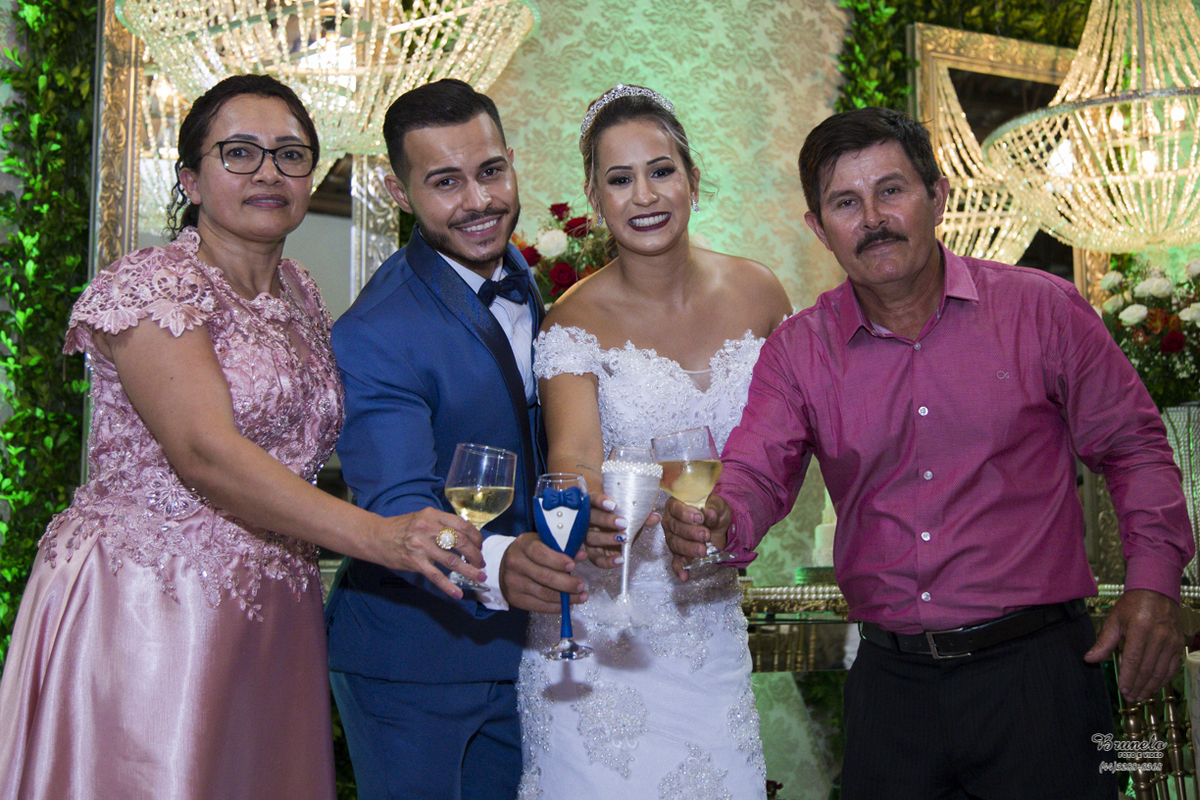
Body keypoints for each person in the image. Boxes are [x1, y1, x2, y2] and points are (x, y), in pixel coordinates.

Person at [663, 106, 1195, 800]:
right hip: (892, 692)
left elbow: (1134, 447)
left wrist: (1154, 581)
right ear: (818, 228)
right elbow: (755, 472)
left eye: (891, 190)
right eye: (845, 203)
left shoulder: (1042, 310)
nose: (873, 219)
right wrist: (721, 517)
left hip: (1038, 680)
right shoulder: (798, 351)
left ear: (937, 197)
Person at [0, 74, 483, 800]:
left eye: (290, 154)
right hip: (152, 599)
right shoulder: (152, 284)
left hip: (274, 604)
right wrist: (380, 537)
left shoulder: (301, 291)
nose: (268, 172)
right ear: (191, 180)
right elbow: (205, 453)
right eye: (239, 153)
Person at [515, 84, 790, 799]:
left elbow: (789, 440)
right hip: (605, 623)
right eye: (620, 179)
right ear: (595, 196)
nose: (644, 195)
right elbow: (573, 459)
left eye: (661, 170)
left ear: (692, 178)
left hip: (709, 622)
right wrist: (594, 515)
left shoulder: (761, 294)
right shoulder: (572, 320)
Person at [324, 79, 589, 800]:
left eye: (490, 171)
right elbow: (398, 505)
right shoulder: (375, 333)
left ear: (512, 162)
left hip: (528, 649)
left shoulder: (528, 278)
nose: (478, 201)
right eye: (445, 182)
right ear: (400, 192)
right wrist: (499, 564)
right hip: (414, 665)